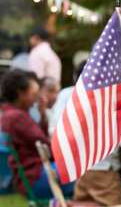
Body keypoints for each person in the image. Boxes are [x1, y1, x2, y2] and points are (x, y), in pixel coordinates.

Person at [0, 70, 73, 198]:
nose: (37, 99)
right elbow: (46, 146)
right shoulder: (17, 117)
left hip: (29, 177)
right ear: (21, 94)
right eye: (34, 94)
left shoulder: (10, 113)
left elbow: (37, 140)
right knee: (81, 170)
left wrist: (42, 113)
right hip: (36, 177)